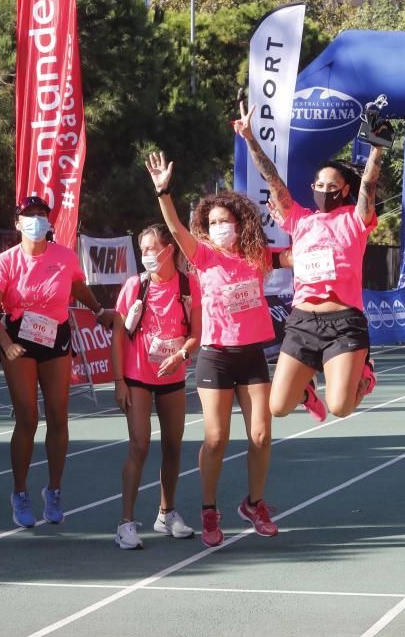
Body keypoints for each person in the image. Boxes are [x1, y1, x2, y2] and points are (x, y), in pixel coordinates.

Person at [146, 151, 278, 548]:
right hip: (216, 355)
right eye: (213, 222)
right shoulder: (202, 257)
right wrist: (164, 192)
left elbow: (298, 251)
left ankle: (254, 503)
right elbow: (173, 226)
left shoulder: (256, 257)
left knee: (261, 435)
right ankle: (208, 509)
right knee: (216, 438)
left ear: (240, 224)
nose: (219, 228)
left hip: (251, 353)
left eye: (226, 222)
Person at [235, 101, 380, 423]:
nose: (324, 190)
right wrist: (249, 137)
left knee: (341, 407)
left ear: (344, 190)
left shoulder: (355, 220)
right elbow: (272, 179)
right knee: (278, 407)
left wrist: (376, 150)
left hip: (344, 322)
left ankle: (364, 374)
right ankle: (306, 390)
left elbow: (368, 185)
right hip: (302, 321)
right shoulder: (300, 220)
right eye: (319, 185)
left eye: (332, 187)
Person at [0, 196, 115, 529]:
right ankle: (19, 492)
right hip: (18, 338)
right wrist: (6, 345)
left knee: (59, 415)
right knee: (27, 416)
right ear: (17, 222)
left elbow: (79, 287)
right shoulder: (4, 262)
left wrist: (99, 311)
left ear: (50, 222)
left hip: (55, 335)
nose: (36, 221)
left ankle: (53, 490)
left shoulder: (65, 257)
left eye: (42, 215)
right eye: (29, 216)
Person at [111, 224, 201, 549]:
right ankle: (125, 523)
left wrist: (181, 355)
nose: (148, 255)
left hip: (172, 377)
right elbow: (118, 334)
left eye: (153, 248)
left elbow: (196, 334)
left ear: (169, 249)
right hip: (137, 377)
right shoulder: (135, 286)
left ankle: (167, 512)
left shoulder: (188, 286)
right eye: (143, 250)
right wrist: (118, 380)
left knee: (173, 446)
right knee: (139, 444)